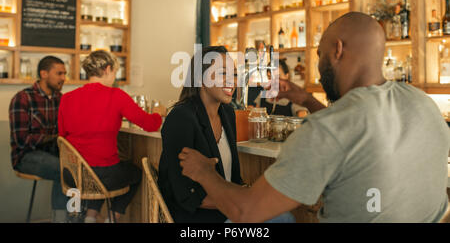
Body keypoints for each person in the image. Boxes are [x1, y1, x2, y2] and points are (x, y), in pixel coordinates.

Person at [178, 12, 450, 223]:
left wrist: (204, 173)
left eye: (319, 54)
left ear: (338, 50)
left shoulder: (324, 129)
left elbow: (246, 211)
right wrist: (307, 100)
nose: (318, 67)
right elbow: (358, 129)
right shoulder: (422, 104)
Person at [158, 46, 294, 223]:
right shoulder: (181, 118)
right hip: (197, 218)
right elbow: (184, 194)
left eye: (234, 74)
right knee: (282, 218)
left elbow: (233, 180)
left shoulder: (228, 114)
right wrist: (246, 201)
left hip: (228, 211)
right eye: (223, 73)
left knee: (283, 217)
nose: (232, 80)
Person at [58, 50, 164, 223]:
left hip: (73, 174)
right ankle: (112, 218)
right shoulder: (116, 95)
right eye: (115, 72)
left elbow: (62, 136)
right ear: (107, 69)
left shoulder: (67, 98)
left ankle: (91, 217)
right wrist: (159, 113)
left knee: (96, 168)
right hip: (103, 176)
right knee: (134, 173)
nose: (114, 76)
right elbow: (150, 124)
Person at [9, 56, 68, 223]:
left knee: (78, 166)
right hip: (25, 156)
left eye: (65, 73)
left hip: (53, 154)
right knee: (64, 169)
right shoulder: (22, 98)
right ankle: (61, 219)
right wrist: (54, 138)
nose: (64, 78)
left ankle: (80, 216)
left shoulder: (61, 99)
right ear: (44, 73)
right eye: (59, 73)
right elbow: (21, 140)